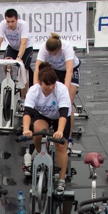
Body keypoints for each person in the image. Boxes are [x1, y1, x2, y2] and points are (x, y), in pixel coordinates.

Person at [21, 63, 72, 194]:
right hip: (43, 115)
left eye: (53, 84)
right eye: (47, 85)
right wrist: (26, 129)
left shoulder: (61, 90)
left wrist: (60, 131)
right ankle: (39, 153)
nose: (50, 87)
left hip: (60, 116)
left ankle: (61, 180)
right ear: (39, 82)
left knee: (60, 146)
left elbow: (63, 113)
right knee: (38, 132)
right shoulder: (34, 91)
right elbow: (27, 112)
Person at [34, 33, 80, 139]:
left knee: (68, 101)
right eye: (50, 53)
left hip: (70, 70)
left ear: (59, 49)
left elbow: (69, 71)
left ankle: (68, 138)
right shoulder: (44, 48)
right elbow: (37, 68)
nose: (53, 55)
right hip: (55, 70)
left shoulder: (66, 48)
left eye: (55, 53)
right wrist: (36, 87)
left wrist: (65, 91)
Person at [0, 8, 33, 96]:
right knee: (5, 64)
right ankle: (10, 83)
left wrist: (19, 58)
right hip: (13, 47)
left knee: (23, 72)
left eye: (12, 21)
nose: (10, 24)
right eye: (8, 21)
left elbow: (23, 43)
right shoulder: (3, 24)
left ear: (17, 19)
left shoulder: (23, 25)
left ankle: (23, 99)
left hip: (26, 48)